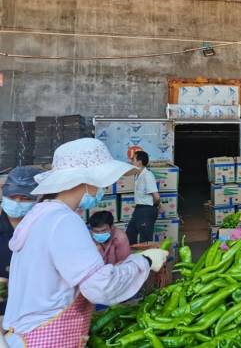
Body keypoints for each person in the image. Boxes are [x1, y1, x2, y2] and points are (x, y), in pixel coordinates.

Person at [2, 138, 168, 347]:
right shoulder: (63, 221)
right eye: (102, 182)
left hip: (24, 336)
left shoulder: (41, 214)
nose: (104, 188)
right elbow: (100, 287)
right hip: (43, 338)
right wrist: (143, 261)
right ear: (85, 181)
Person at [0, 167, 41, 315]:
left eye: (25, 198)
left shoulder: (44, 229)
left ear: (38, 199)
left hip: (34, 309)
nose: (17, 202)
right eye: (12, 197)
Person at [126, 150, 160, 245]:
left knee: (145, 240)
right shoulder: (138, 175)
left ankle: (145, 259)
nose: (131, 161)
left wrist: (154, 208)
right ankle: (133, 257)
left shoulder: (147, 175)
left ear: (139, 162)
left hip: (146, 210)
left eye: (133, 159)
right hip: (139, 209)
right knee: (130, 234)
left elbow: (156, 197)